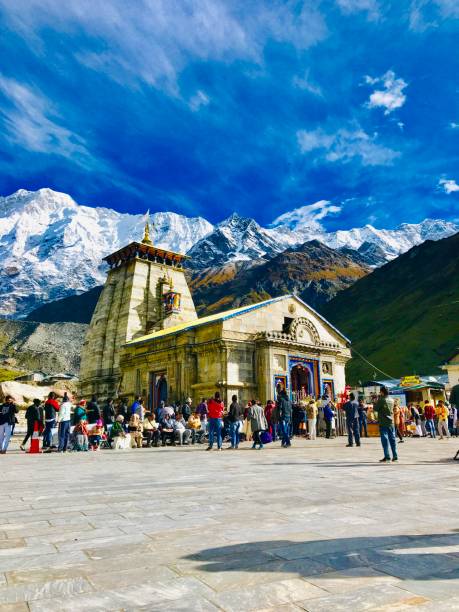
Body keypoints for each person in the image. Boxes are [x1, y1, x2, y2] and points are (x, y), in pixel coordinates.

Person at [375, 387, 398, 462]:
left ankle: (387, 456)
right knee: (393, 439)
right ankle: (395, 456)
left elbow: (375, 408)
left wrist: (375, 401)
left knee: (385, 439)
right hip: (391, 422)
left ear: (382, 392)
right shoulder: (391, 400)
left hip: (383, 422)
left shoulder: (381, 400)